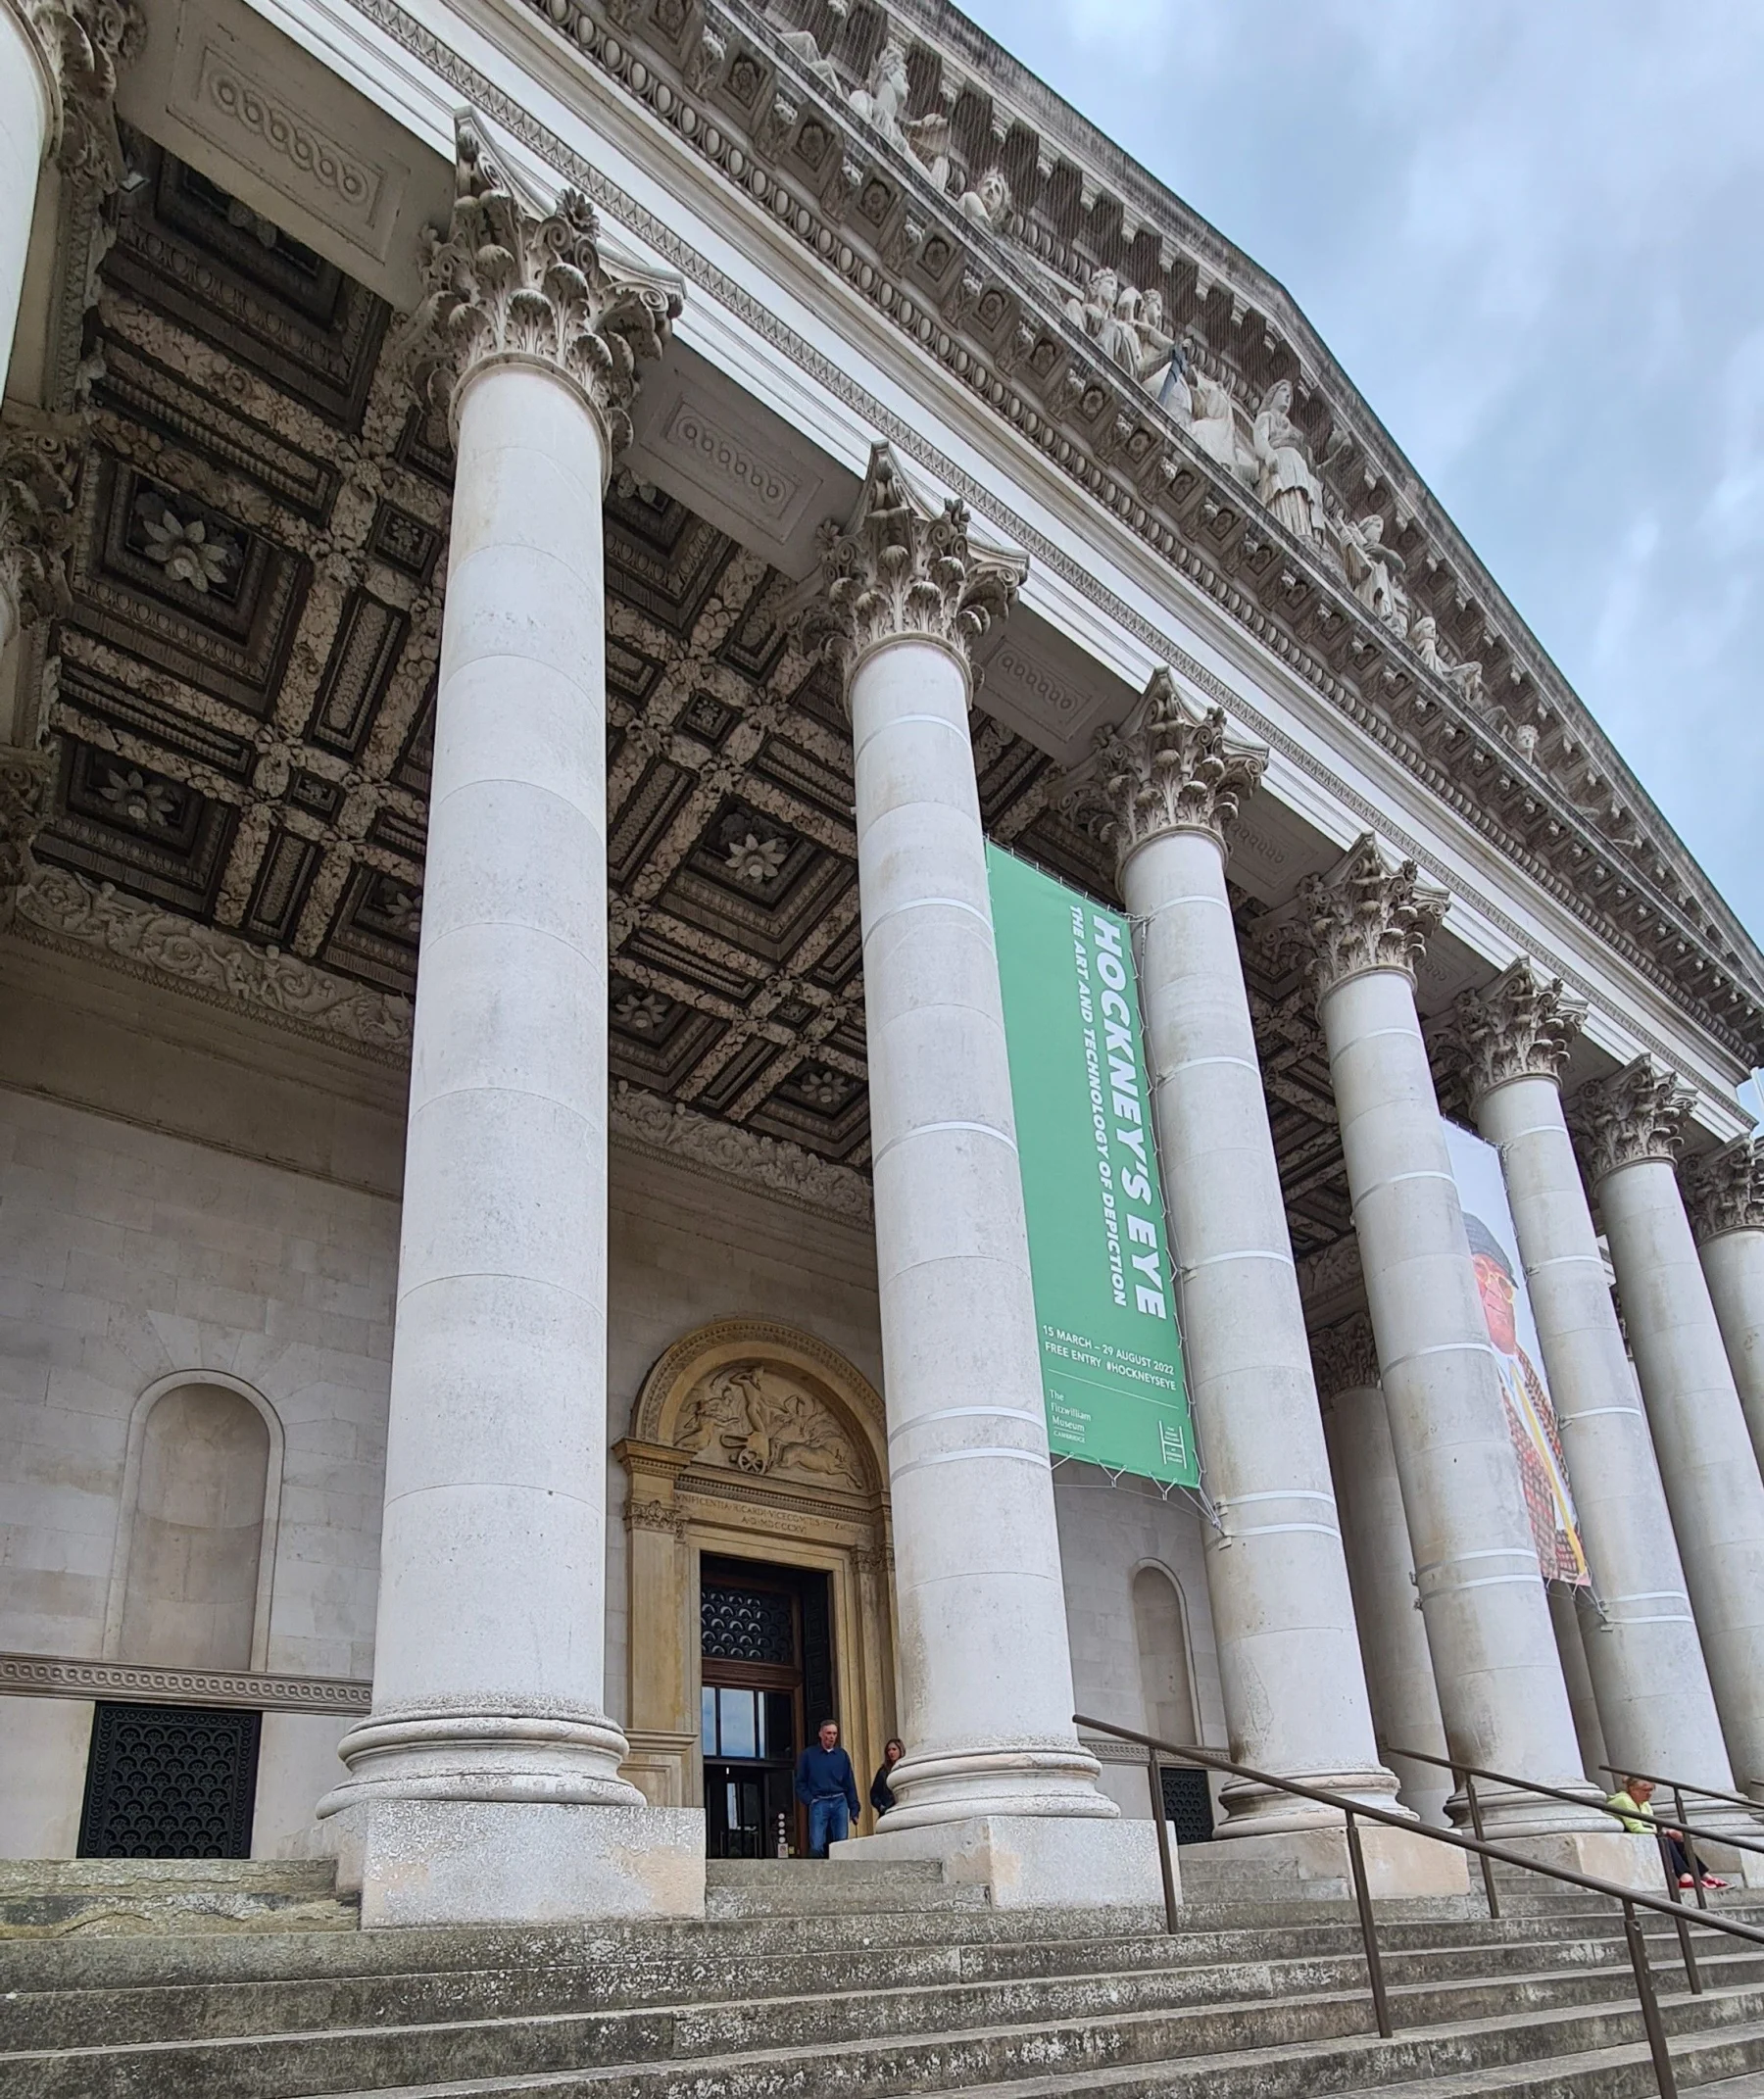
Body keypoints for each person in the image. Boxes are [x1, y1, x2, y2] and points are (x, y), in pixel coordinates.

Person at [1463, 1210, 1586, 1586]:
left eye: (1503, 1282)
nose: (1496, 1293)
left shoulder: (1529, 1380)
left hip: (1567, 1549)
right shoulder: (1472, 1377)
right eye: (1480, 1276)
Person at [1607, 1776, 1728, 1890]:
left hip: (1640, 1836)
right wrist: (1665, 1832)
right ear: (1632, 1789)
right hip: (1622, 1837)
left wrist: (1666, 1832)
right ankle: (1684, 1877)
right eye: (1645, 1790)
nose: (1649, 1794)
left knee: (1678, 1841)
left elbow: (1652, 1825)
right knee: (1665, 1839)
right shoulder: (1622, 1800)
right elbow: (1635, 1828)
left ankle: (1704, 1875)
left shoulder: (1644, 1804)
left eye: (1651, 1790)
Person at [794, 1718, 860, 1858]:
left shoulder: (842, 1755)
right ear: (821, 1734)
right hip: (819, 1801)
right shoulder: (808, 1755)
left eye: (834, 1734)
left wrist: (854, 1808)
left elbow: (849, 1783)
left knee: (841, 1844)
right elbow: (800, 1782)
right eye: (828, 1733)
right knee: (817, 1846)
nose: (831, 1737)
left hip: (839, 1801)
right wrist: (810, 1800)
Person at [870, 1736, 905, 1818]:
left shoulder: (905, 1768)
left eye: (894, 1749)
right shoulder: (883, 1771)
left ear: (900, 1750)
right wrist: (880, 1806)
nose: (891, 1752)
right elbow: (874, 1793)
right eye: (889, 1750)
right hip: (887, 1811)